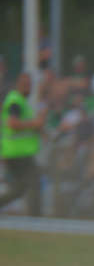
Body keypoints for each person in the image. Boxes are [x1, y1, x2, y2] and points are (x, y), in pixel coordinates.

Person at [1, 72, 48, 215]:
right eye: (25, 84)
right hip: (18, 153)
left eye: (29, 85)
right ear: (18, 85)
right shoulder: (15, 101)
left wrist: (40, 129)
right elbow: (12, 123)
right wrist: (35, 123)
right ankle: (36, 219)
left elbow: (29, 126)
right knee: (34, 182)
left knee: (19, 189)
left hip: (15, 152)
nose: (28, 87)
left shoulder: (21, 102)